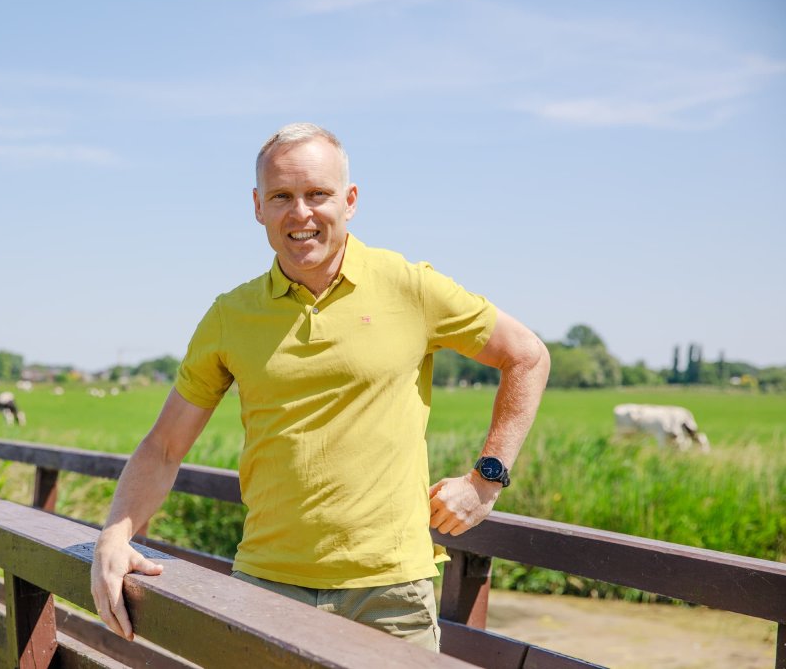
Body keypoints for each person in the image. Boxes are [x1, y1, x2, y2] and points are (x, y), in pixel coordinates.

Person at [91, 123, 551, 652]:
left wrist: (485, 480)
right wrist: (115, 533)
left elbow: (527, 355)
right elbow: (165, 445)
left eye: (318, 195)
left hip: (391, 594)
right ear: (258, 206)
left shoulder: (410, 286)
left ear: (349, 201)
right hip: (267, 588)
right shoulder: (230, 315)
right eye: (282, 195)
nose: (301, 213)